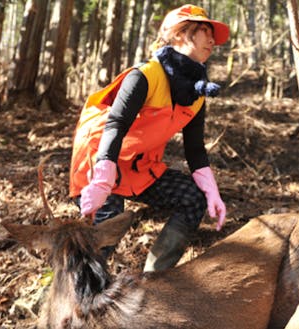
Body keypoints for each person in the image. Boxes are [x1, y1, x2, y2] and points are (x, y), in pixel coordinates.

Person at [69, 4, 229, 272]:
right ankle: (76, 295)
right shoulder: (145, 75)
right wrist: (102, 180)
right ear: (179, 34)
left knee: (193, 197)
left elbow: (195, 148)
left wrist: (211, 189)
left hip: (138, 166)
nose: (212, 40)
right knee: (107, 230)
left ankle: (154, 280)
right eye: (204, 31)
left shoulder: (197, 93)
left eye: (212, 34)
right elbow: (116, 124)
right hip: (100, 159)